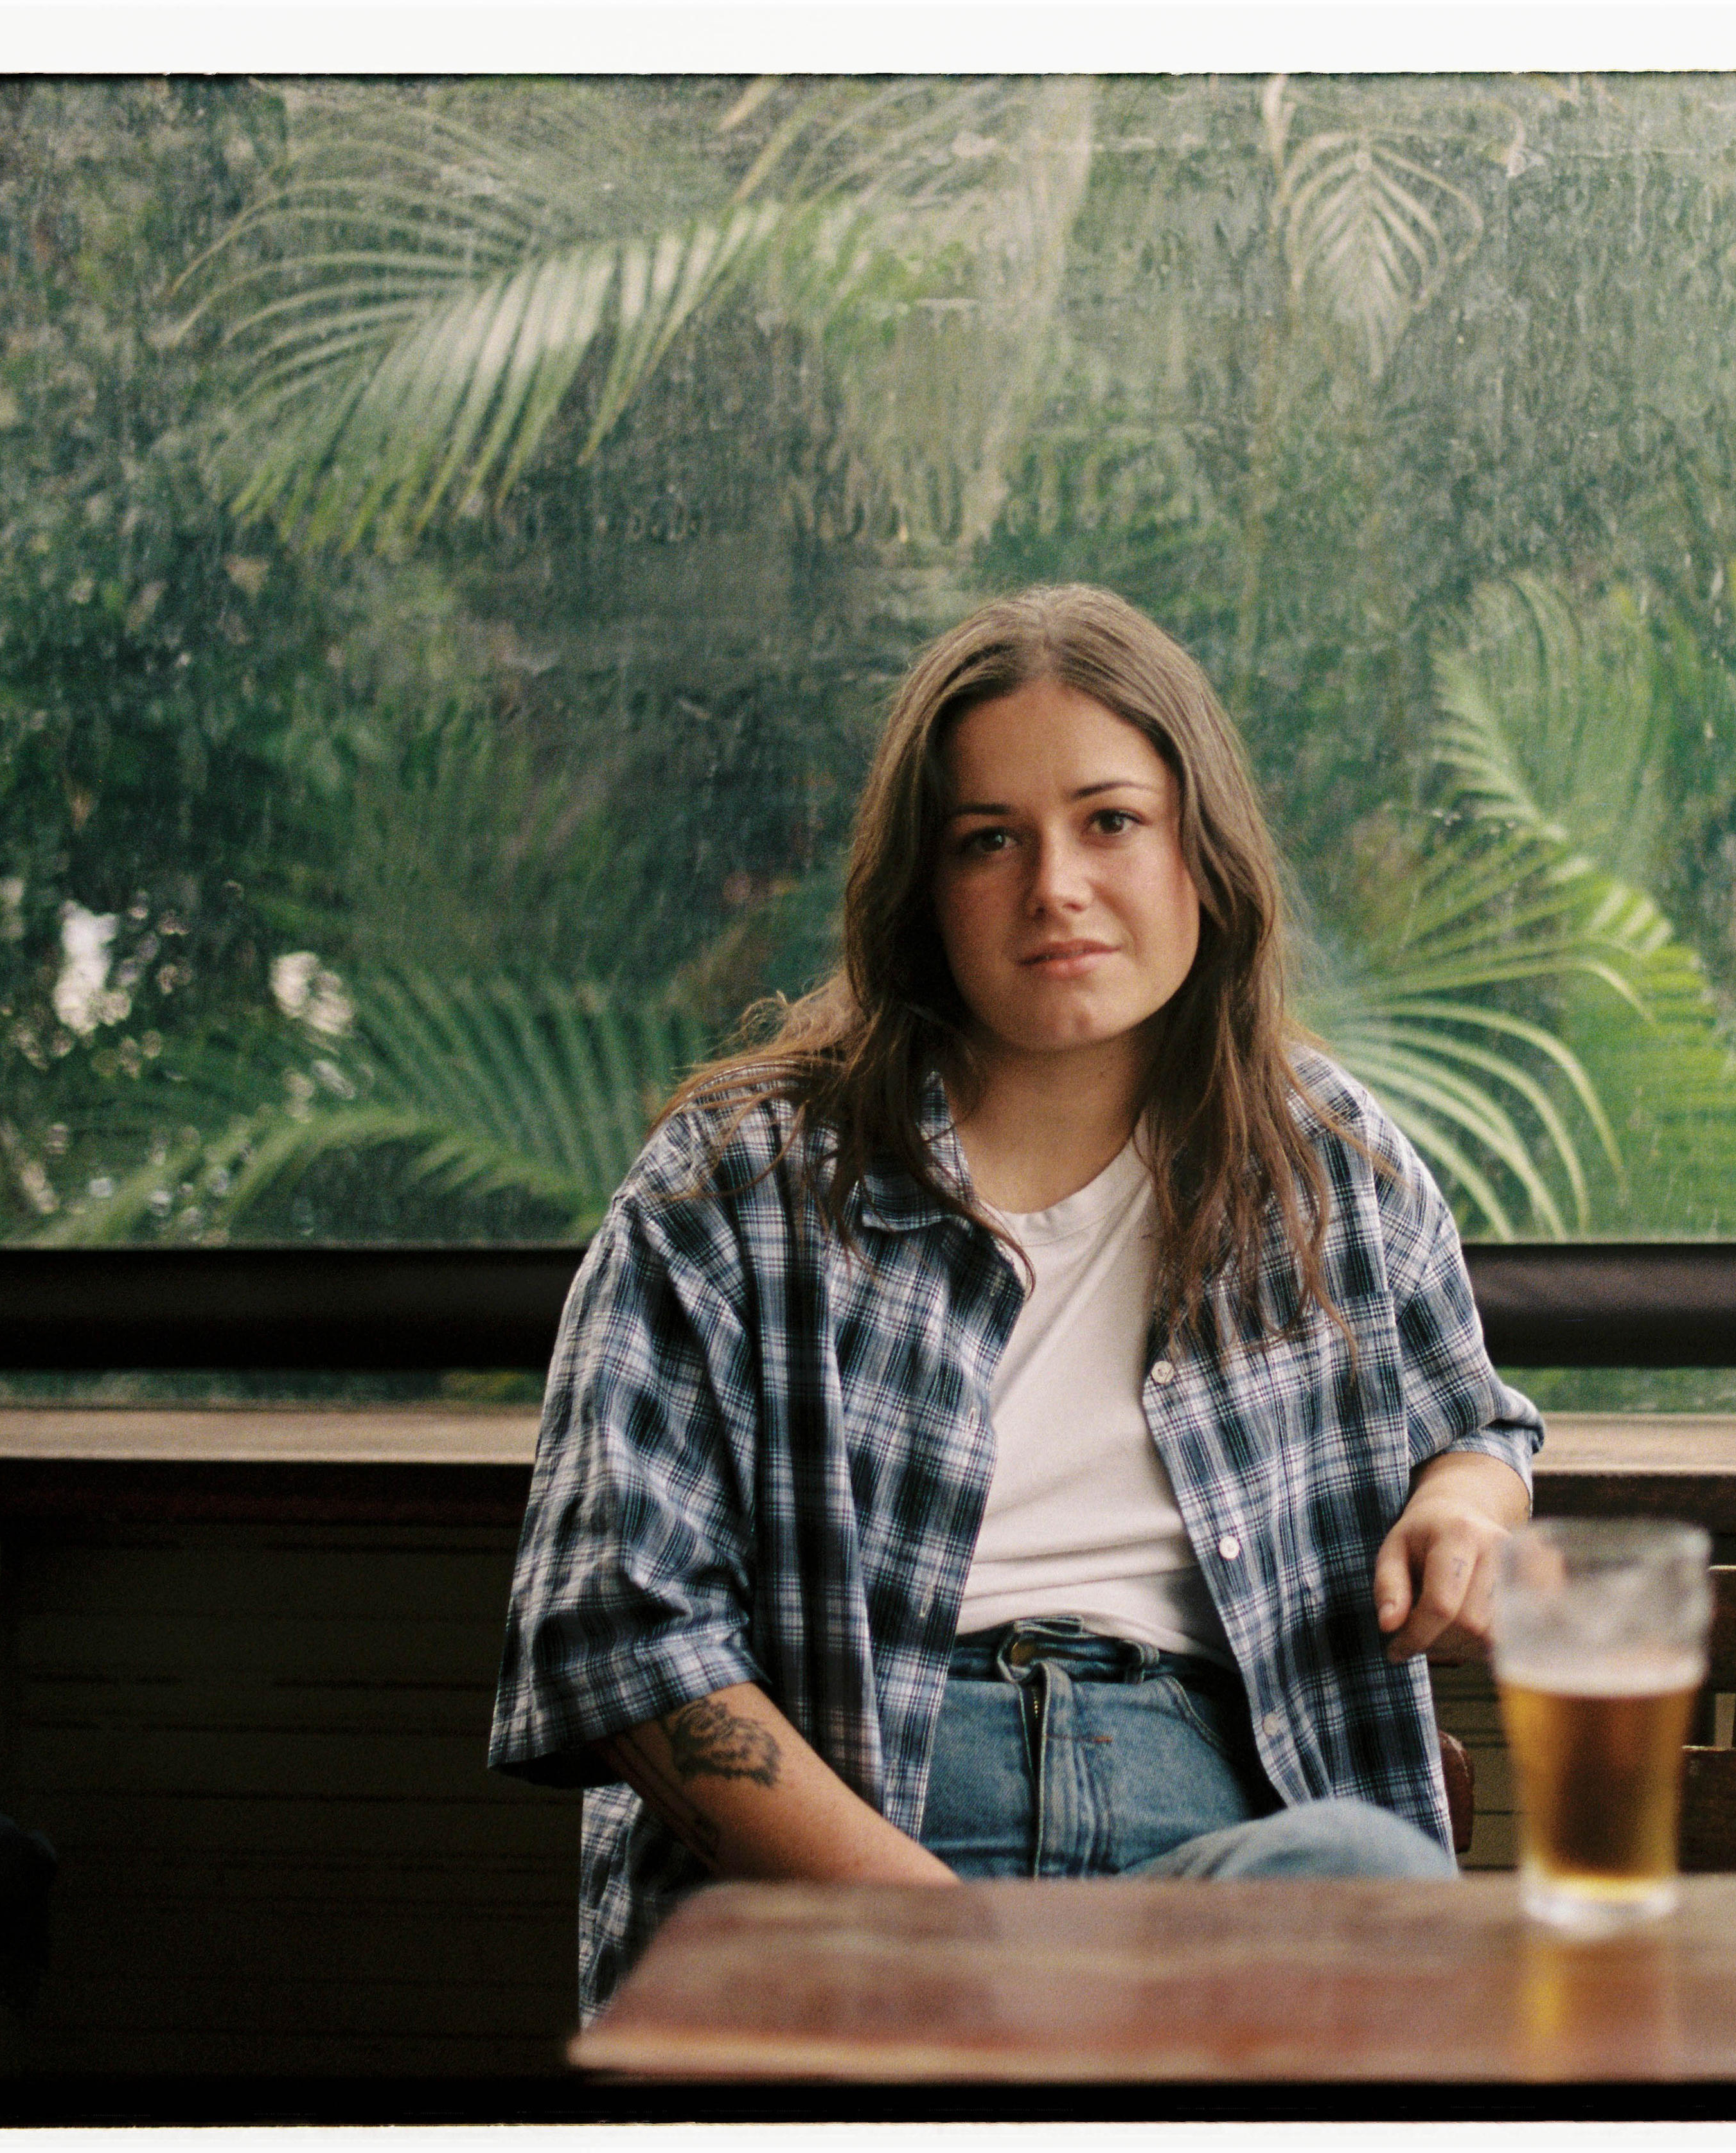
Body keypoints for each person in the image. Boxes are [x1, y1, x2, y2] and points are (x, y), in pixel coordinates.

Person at [489, 585, 1543, 2019]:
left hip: (1221, 1850)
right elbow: (617, 1634)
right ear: (921, 889)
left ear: (1201, 853)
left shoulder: (1328, 1166)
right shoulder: (729, 1186)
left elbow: (1477, 1422)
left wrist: (1470, 1498)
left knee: (1362, 1865)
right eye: (990, 840)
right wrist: (950, 1938)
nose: (1055, 885)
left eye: (1110, 820)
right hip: (857, 1866)